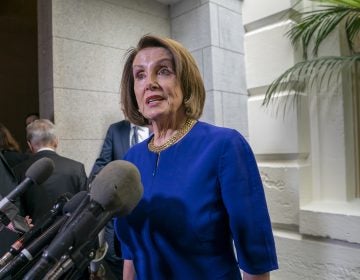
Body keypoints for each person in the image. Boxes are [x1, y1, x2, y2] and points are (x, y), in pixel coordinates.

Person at [114, 35, 278, 280]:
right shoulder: (130, 160)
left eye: (163, 71)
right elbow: (131, 254)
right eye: (140, 75)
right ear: (134, 93)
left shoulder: (224, 146)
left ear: (186, 82)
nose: (150, 82)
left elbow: (254, 256)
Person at [90, 120, 149, 279]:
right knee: (113, 256)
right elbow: (103, 162)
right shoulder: (116, 129)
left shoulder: (159, 129)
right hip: (120, 209)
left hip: (148, 206)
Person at [14, 119, 88, 224]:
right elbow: (85, 207)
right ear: (56, 141)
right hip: (68, 235)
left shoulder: (19, 170)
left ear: (29, 145)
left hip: (35, 236)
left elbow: (16, 211)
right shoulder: (76, 168)